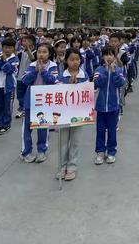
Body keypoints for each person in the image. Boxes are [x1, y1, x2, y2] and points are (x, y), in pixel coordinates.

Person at [20, 43, 59, 163]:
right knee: (27, 128)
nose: (41, 54)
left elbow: (53, 81)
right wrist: (35, 71)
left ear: (50, 53)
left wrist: (43, 72)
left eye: (44, 52)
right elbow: (25, 81)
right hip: (31, 100)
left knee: (42, 127)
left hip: (45, 101)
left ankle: (42, 151)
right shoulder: (32, 65)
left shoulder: (52, 66)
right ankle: (26, 152)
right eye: (39, 52)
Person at [57, 49, 90, 181]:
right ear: (66, 60)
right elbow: (57, 92)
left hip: (79, 114)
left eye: (77, 59)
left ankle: (72, 166)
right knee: (63, 141)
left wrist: (78, 85)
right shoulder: (61, 76)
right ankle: (61, 166)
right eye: (72, 59)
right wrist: (68, 85)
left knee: (75, 141)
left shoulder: (84, 75)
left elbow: (87, 92)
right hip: (64, 114)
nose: (75, 62)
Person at [93, 47, 126, 165]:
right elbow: (97, 83)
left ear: (114, 57)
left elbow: (121, 83)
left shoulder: (119, 70)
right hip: (101, 107)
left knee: (112, 130)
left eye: (111, 55)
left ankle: (111, 152)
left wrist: (114, 72)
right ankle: (100, 152)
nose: (108, 57)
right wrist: (107, 72)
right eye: (106, 55)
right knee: (100, 130)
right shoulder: (98, 69)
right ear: (103, 57)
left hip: (113, 106)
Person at [0, 38, 19, 135]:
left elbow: (10, 70)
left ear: (14, 49)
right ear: (2, 48)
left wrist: (5, 61)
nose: (8, 50)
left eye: (10, 48)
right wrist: (1, 61)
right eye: (6, 47)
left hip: (9, 87)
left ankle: (6, 124)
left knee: (7, 106)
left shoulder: (15, 59)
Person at [15, 34, 36, 119]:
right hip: (20, 76)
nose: (23, 43)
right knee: (20, 93)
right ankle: (20, 108)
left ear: (31, 43)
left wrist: (28, 50)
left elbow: (33, 59)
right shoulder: (22, 52)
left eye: (26, 41)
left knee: (27, 93)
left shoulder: (35, 52)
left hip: (29, 77)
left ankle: (26, 108)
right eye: (23, 41)